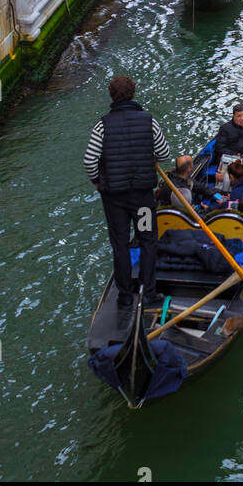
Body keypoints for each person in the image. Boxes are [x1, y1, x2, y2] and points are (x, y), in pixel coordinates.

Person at [84, 75, 170, 319]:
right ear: (133, 93)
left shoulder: (103, 125)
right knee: (147, 240)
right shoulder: (148, 122)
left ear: (112, 96)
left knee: (120, 244)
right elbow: (164, 152)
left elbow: (90, 160)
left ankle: (124, 296)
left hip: (115, 200)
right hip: (142, 197)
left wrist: (98, 183)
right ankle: (150, 292)